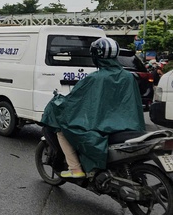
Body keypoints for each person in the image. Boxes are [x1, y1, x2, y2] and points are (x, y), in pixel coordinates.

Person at [41, 37, 145, 178]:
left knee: (62, 130)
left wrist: (57, 103)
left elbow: (74, 102)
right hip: (129, 126)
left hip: (101, 127)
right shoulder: (129, 77)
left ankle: (75, 169)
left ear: (96, 56)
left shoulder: (94, 78)